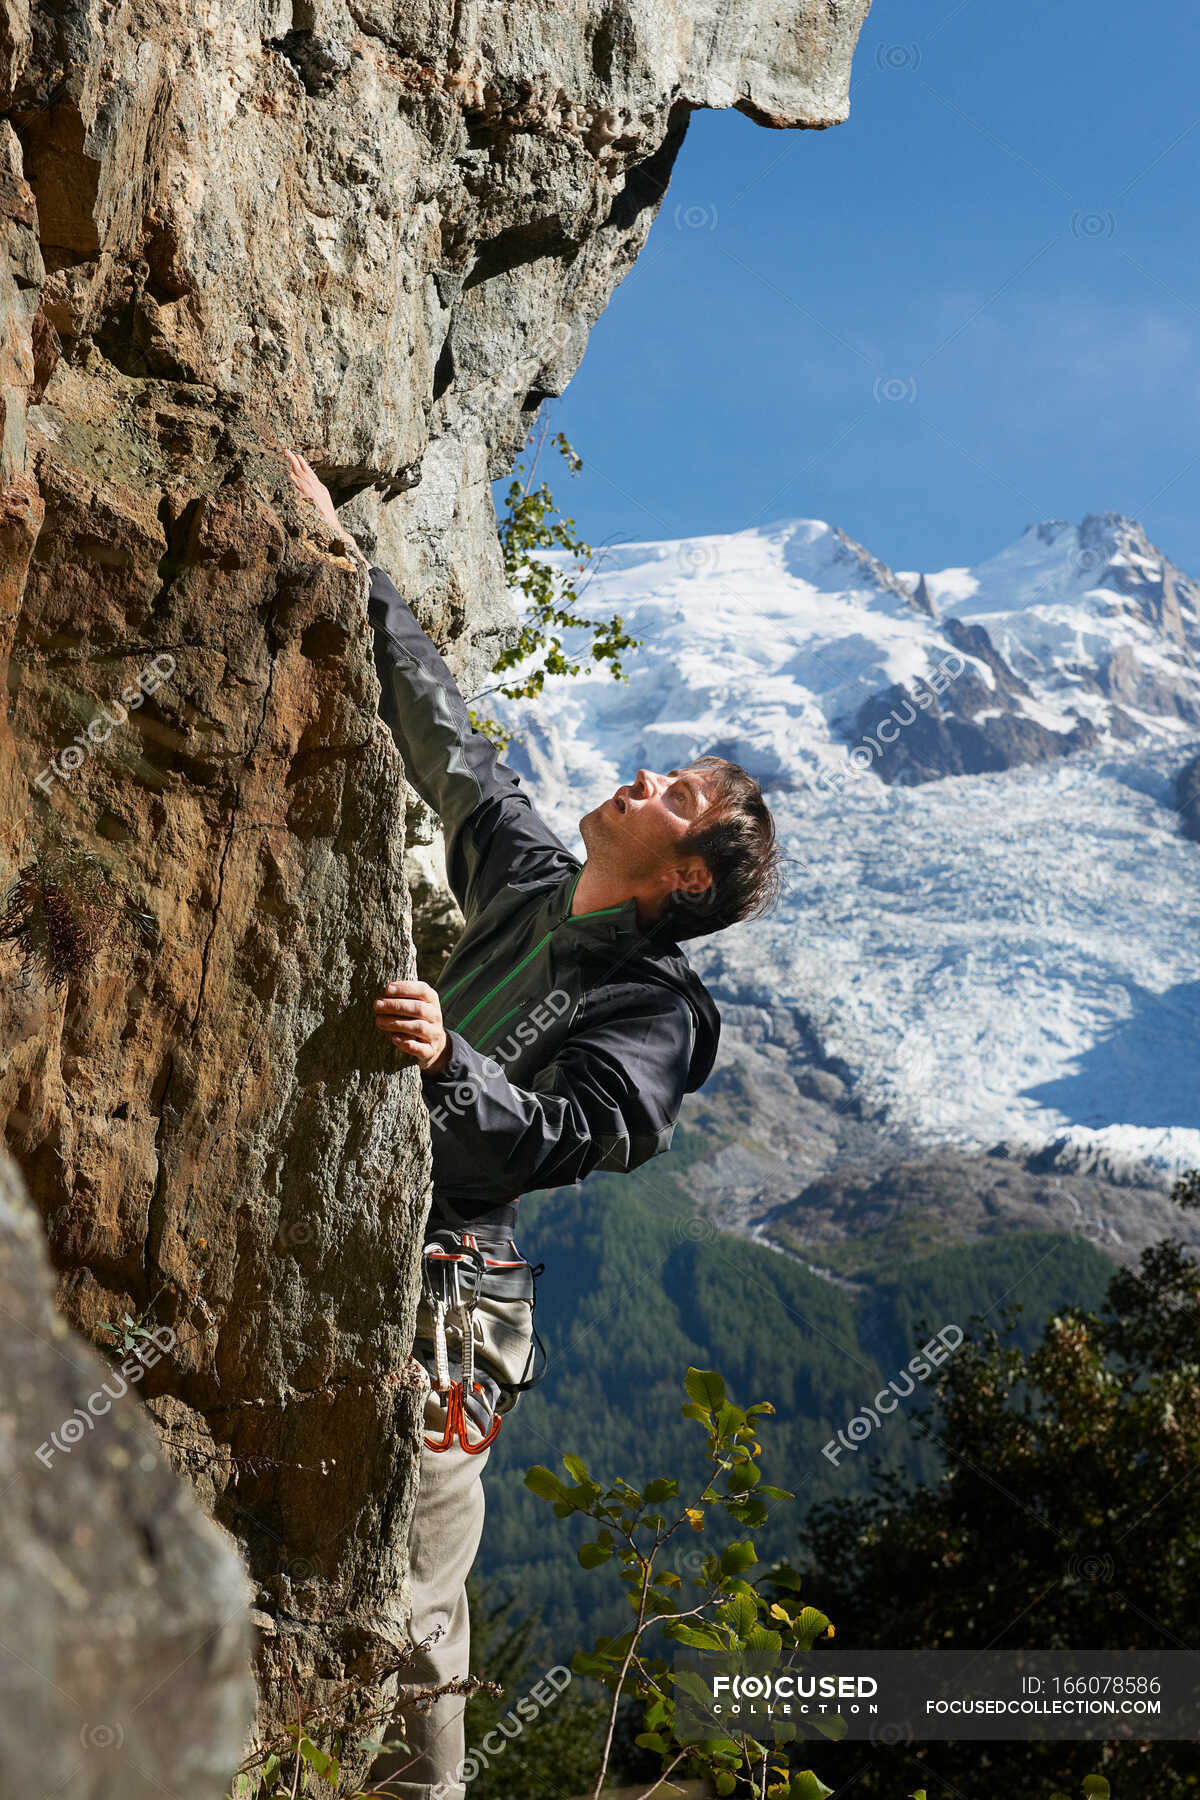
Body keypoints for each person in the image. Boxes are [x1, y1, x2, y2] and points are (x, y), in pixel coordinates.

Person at [285, 449, 780, 1798]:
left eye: (675, 793)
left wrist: (452, 1063)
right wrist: (342, 551)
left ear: (684, 873)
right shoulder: (529, 869)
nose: (639, 778)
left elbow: (577, 1131)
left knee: (416, 1601)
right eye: (664, 769)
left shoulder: (657, 1010)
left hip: (456, 1300)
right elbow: (443, 733)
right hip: (341, 1234)